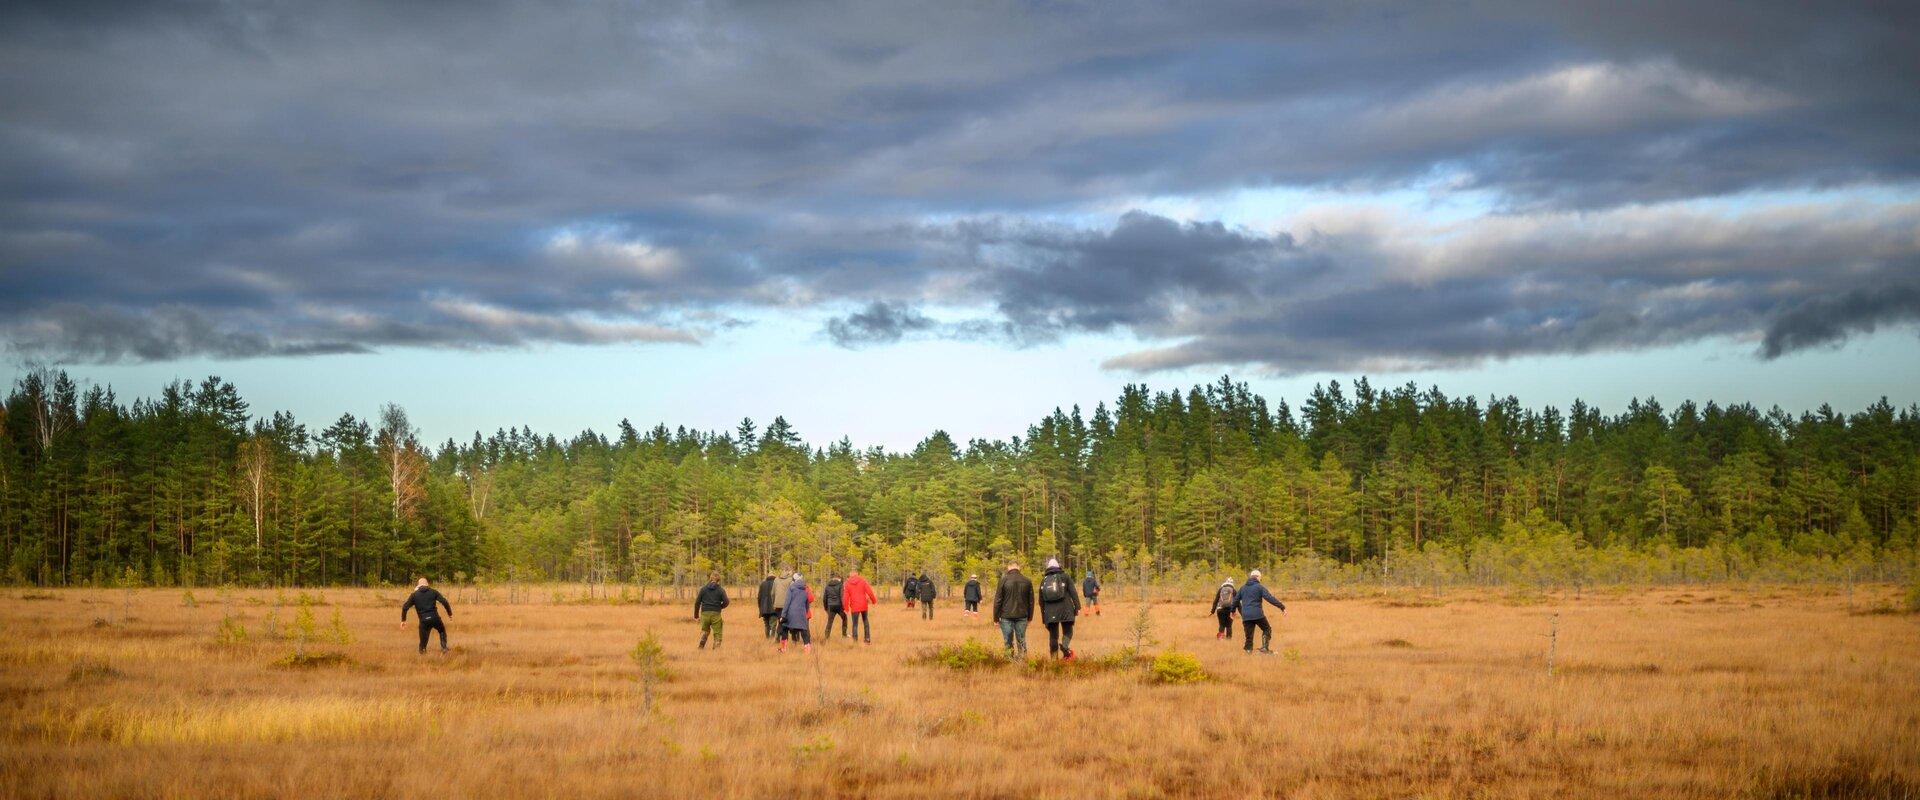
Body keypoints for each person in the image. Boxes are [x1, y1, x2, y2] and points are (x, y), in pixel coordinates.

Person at [1038, 557, 1081, 659]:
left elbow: (1041, 601)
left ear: (1048, 568)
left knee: (1053, 636)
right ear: (1058, 566)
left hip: (1050, 611)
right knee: (1068, 631)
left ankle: (1054, 660)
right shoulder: (1065, 576)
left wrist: (1044, 616)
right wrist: (1077, 607)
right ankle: (1065, 646)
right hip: (1066, 609)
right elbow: (1073, 592)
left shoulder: (1044, 580)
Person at [1236, 569, 1287, 654]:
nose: (1260, 580)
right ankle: (1264, 648)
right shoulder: (1259, 587)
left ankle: (1248, 651)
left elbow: (1235, 600)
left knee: (1249, 635)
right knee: (1267, 629)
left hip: (1246, 616)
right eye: (1260, 578)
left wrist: (1232, 611)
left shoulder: (1242, 588)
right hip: (1257, 614)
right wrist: (1282, 607)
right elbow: (1269, 598)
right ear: (1258, 577)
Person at [992, 562, 1034, 658]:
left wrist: (995, 619)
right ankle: (1022, 662)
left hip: (1006, 616)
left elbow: (998, 600)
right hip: (1022, 615)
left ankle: (1008, 662)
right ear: (1018, 567)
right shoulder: (1027, 581)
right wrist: (1030, 617)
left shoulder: (1003, 580)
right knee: (1021, 640)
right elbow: (1031, 601)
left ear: (1008, 568)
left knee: (1008, 641)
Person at [400, 577, 452, 654]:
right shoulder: (434, 592)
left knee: (422, 645)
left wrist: (403, 620)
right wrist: (449, 613)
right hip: (435, 618)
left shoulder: (414, 595)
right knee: (441, 630)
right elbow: (444, 602)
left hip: (424, 621)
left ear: (418, 586)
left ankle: (423, 652)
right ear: (427, 584)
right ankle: (444, 647)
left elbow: (405, 607)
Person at [694, 572, 729, 649]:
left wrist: (696, 616)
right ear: (718, 580)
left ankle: (701, 645)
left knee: (705, 631)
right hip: (716, 614)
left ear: (710, 579)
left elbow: (697, 603)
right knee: (717, 634)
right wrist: (720, 607)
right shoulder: (721, 590)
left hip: (705, 614)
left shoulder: (703, 589)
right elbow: (726, 602)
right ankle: (716, 652)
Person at [780, 572, 813, 652]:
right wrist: (805, 613)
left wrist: (783, 615)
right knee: (804, 631)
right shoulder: (806, 588)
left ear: (794, 580)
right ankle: (808, 649)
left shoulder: (791, 588)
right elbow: (807, 603)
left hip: (791, 613)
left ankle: (783, 649)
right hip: (802, 613)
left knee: (784, 627)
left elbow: (787, 602)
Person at [843, 568, 878, 643]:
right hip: (863, 605)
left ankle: (855, 641)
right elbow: (870, 592)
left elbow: (845, 597)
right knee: (865, 621)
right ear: (857, 574)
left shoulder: (847, 583)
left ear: (850, 575)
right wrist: (874, 601)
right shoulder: (863, 581)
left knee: (855, 624)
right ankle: (867, 639)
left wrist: (846, 608)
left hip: (854, 606)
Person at [822, 573, 848, 639]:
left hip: (830, 606)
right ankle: (844, 635)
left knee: (830, 621)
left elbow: (824, 598)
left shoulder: (827, 585)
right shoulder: (840, 585)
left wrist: (826, 607)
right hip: (839, 606)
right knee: (844, 618)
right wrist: (844, 607)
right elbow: (842, 596)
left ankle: (826, 637)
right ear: (838, 578)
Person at [757, 572, 779, 639]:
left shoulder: (762, 584)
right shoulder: (776, 583)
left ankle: (767, 639)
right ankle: (772, 639)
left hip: (764, 609)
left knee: (766, 625)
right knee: (773, 625)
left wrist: (760, 608)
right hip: (773, 608)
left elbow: (759, 597)